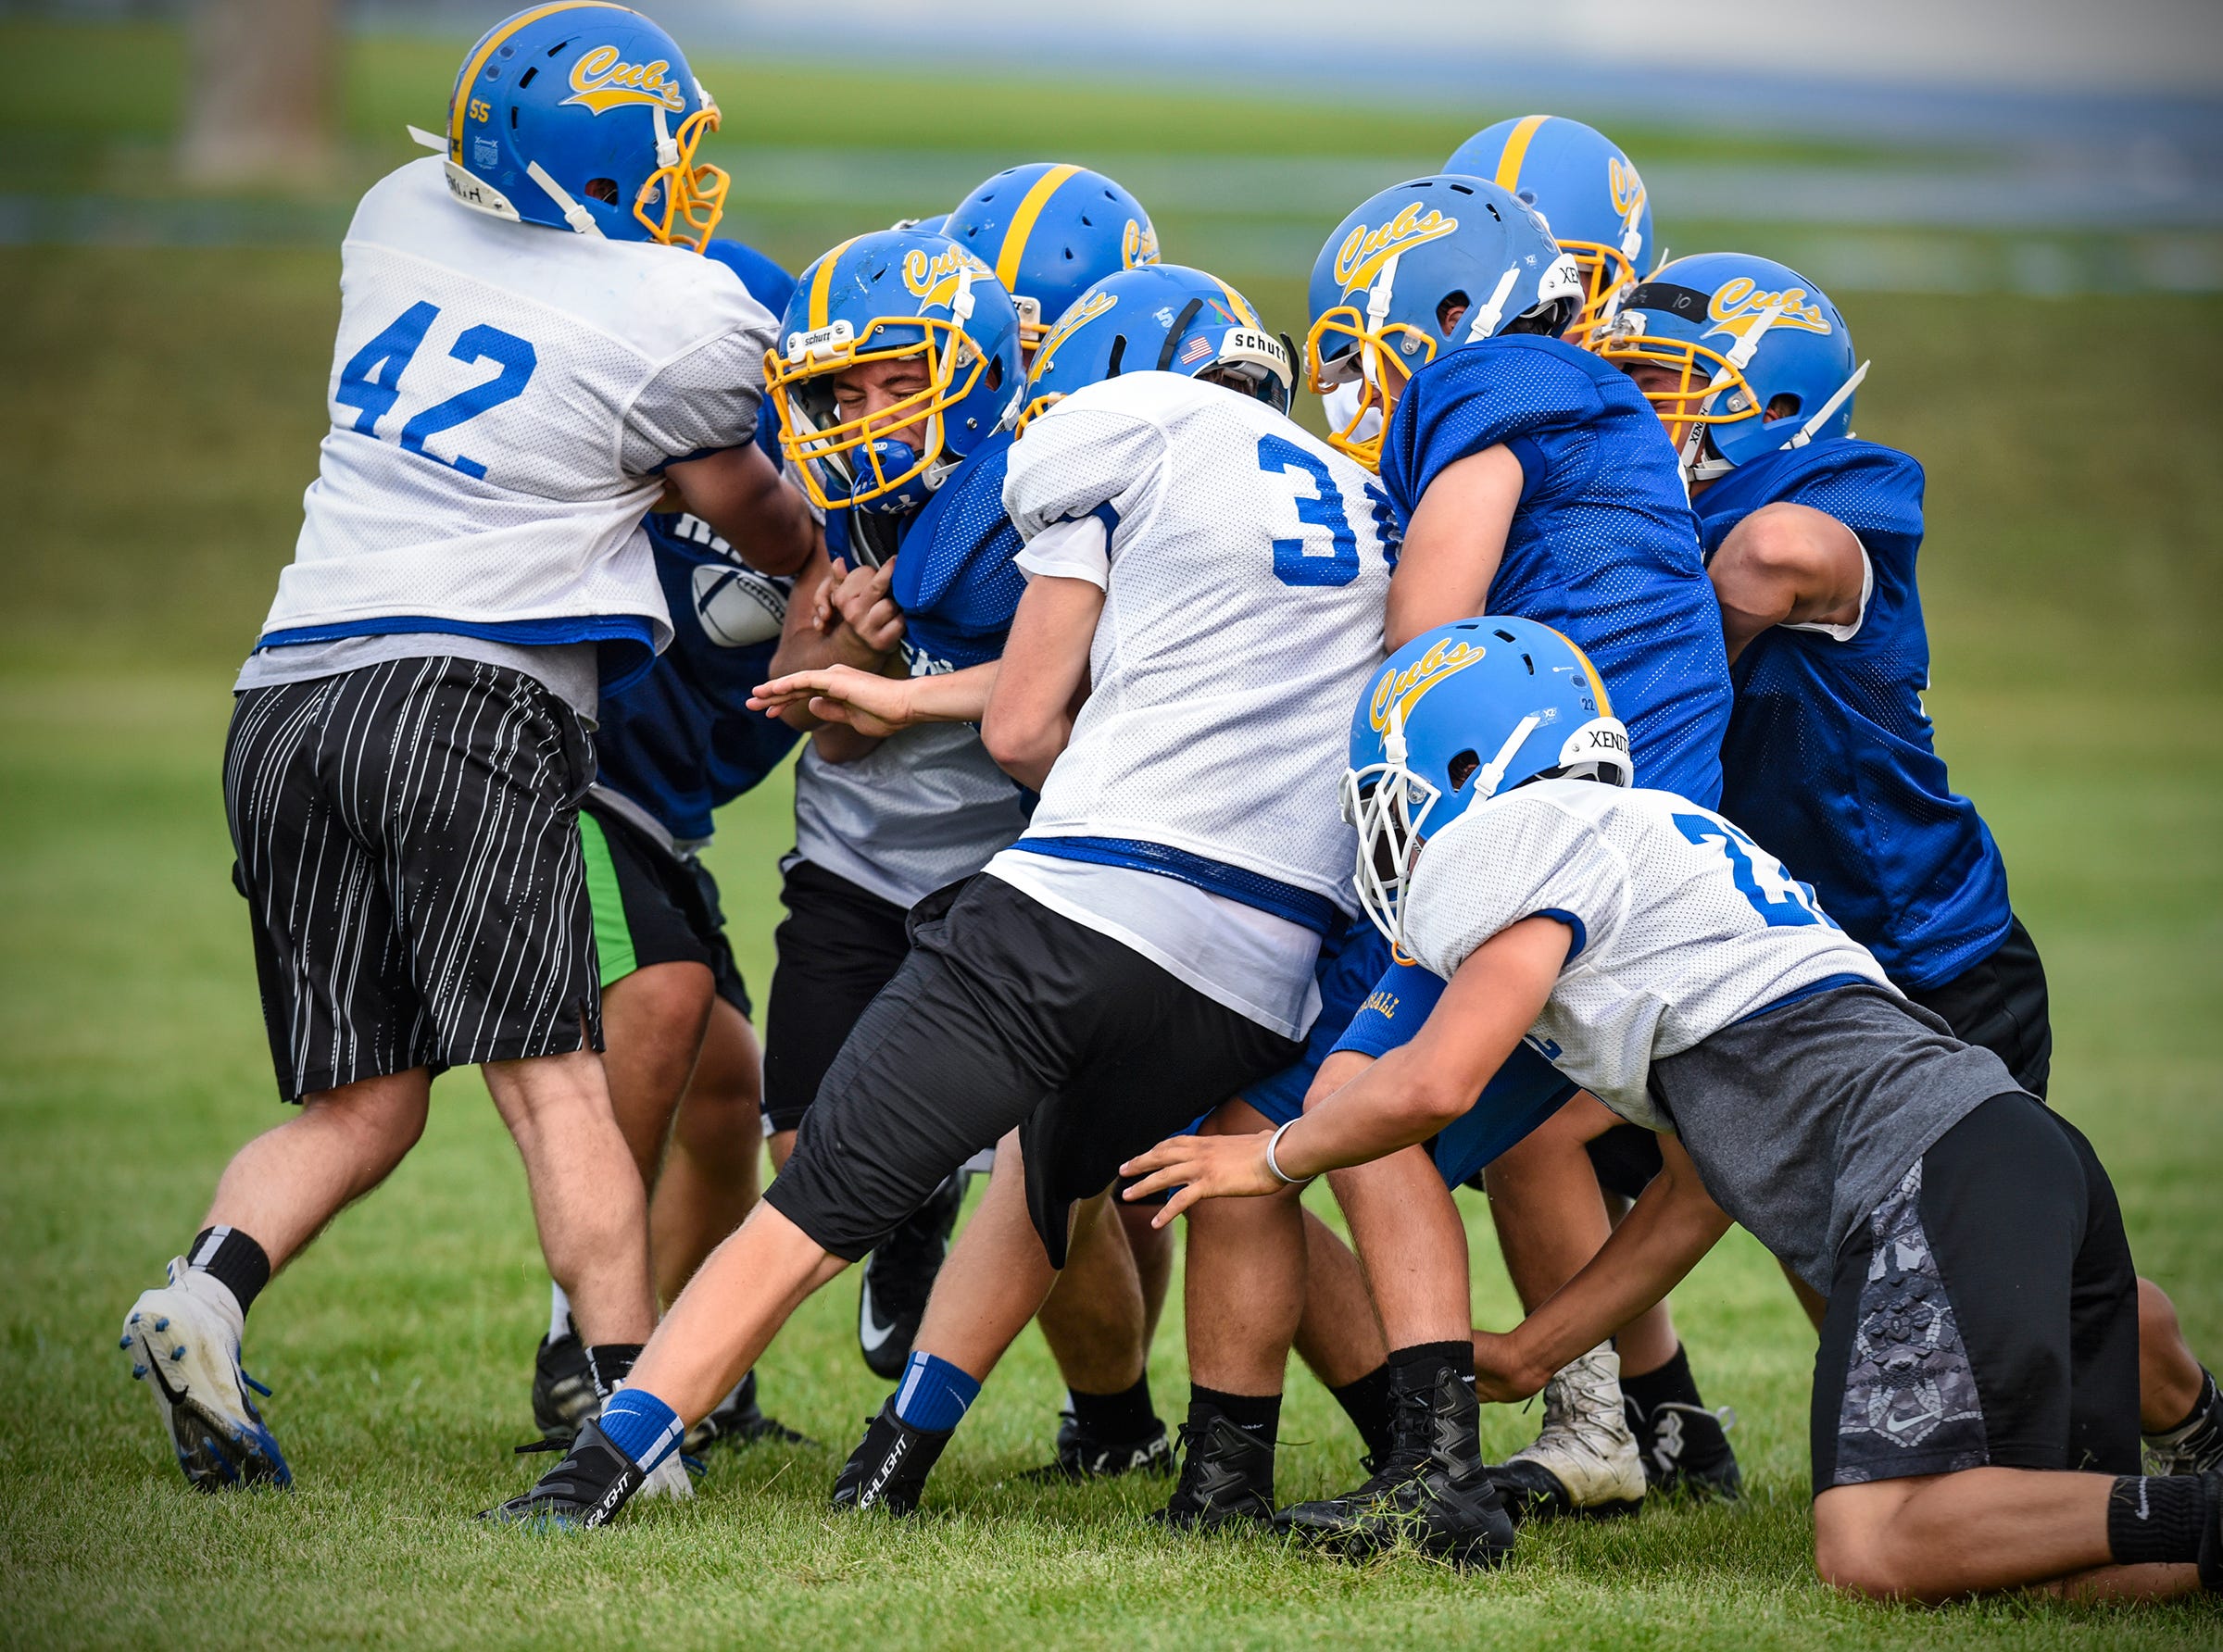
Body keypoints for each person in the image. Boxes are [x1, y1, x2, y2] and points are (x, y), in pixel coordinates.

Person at [483, 262, 1400, 1537]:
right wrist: (914, 699)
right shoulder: (1361, 497)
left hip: (1081, 906)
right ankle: (1362, 1455)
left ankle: (594, 1478)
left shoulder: (1113, 430)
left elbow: (1031, 724)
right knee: (1070, 1175)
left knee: (811, 1209)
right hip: (1261, 966)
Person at [1131, 618, 2223, 1603]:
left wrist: (1268, 1158)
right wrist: (1534, 1350)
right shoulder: (1664, 842)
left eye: (1395, 794)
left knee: (1876, 1543)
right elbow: (1700, 1185)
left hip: (1929, 1170)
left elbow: (1430, 1084)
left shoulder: (1512, 833)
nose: (1394, 830)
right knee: (2057, 1573)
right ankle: (2195, 1434)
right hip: (2008, 1151)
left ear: (1465, 764)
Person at [115, 5, 816, 1493]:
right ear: (615, 169)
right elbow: (760, 514)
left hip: (286, 693)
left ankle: (204, 1291)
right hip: (467, 699)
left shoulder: (392, 214)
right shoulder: (671, 318)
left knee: (359, 1100)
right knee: (555, 1087)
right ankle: (634, 1416)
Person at [761, 263, 1400, 1524]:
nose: (882, 415)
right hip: (1222, 880)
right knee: (1180, 1157)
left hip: (1132, 872)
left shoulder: (1105, 472)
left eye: (914, 381)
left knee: (1159, 1158)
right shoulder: (1326, 485)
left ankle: (979, 1445)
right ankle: (1378, 1440)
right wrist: (890, 674)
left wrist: (928, 670)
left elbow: (1045, 710)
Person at [1598, 250, 2222, 1471]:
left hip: (1929, 957)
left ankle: (2190, 1418)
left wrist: (1650, 661)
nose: (1642, 410)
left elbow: (1771, 558)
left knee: (1980, 1278)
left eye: (1665, 383)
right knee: (1845, 1261)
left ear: (1772, 405)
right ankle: (1904, 1458)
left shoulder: (1826, 503)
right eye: (1625, 378)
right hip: (1797, 964)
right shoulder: (1674, 512)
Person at [1269, 173, 1735, 1535]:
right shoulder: (1588, 409)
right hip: (1637, 821)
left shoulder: (1499, 383)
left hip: (1555, 824)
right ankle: (1603, 1428)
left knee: (1370, 1107)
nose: (1361, 376)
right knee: (1536, 1134)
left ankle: (1435, 1471)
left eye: (1365, 338)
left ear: (1448, 306)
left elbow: (1430, 620)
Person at [528, 230, 810, 1455]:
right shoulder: (608, 442)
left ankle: (704, 1364)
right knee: (659, 998)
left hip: (664, 812)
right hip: (570, 780)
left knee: (729, 1088)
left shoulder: (822, 483)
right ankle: (583, 1344)